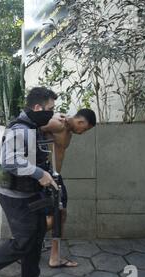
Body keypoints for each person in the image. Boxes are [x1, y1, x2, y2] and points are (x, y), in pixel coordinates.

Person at [0, 87, 61, 277]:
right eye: (50, 109)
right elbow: (8, 161)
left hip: (30, 193)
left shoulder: (32, 125)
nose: (52, 113)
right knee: (24, 241)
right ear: (38, 108)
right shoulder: (20, 129)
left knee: (36, 236)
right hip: (15, 196)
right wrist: (39, 173)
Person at [41, 108, 96, 268]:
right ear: (80, 121)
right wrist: (51, 117)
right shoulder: (58, 123)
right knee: (59, 215)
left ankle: (47, 251)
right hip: (48, 176)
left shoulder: (66, 127)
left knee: (61, 214)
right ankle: (25, 240)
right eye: (84, 128)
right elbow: (32, 127)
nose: (82, 132)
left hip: (55, 177)